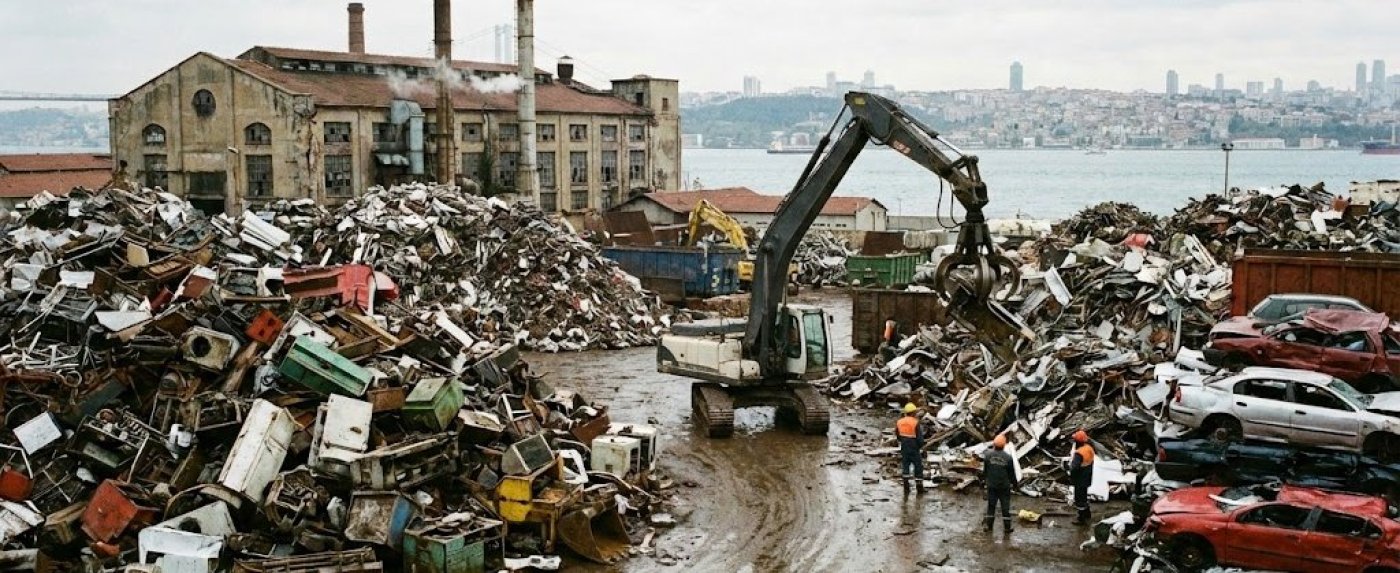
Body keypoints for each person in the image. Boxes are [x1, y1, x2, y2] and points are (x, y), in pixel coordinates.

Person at [982, 434, 1014, 533]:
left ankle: (989, 527)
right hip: (1004, 487)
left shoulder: (988, 456)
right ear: (1004, 445)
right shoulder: (1008, 458)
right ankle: (1007, 528)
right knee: (1005, 507)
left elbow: (985, 471)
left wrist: (984, 482)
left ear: (994, 444)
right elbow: (1011, 474)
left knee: (991, 506)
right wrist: (1015, 484)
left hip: (992, 486)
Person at [1068, 430, 1095, 525]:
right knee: (1084, 496)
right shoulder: (1089, 448)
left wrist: (1069, 471)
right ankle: (1087, 514)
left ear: (1077, 442)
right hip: (1087, 477)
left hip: (1079, 479)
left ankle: (1081, 518)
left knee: (1079, 499)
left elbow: (1074, 468)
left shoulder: (1079, 453)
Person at [897, 403, 924, 492]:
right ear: (913, 412)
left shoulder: (899, 422)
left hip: (904, 446)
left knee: (905, 465)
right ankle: (919, 488)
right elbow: (919, 438)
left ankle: (906, 487)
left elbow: (898, 435)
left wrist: (903, 441)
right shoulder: (915, 422)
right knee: (918, 466)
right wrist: (921, 446)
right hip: (914, 446)